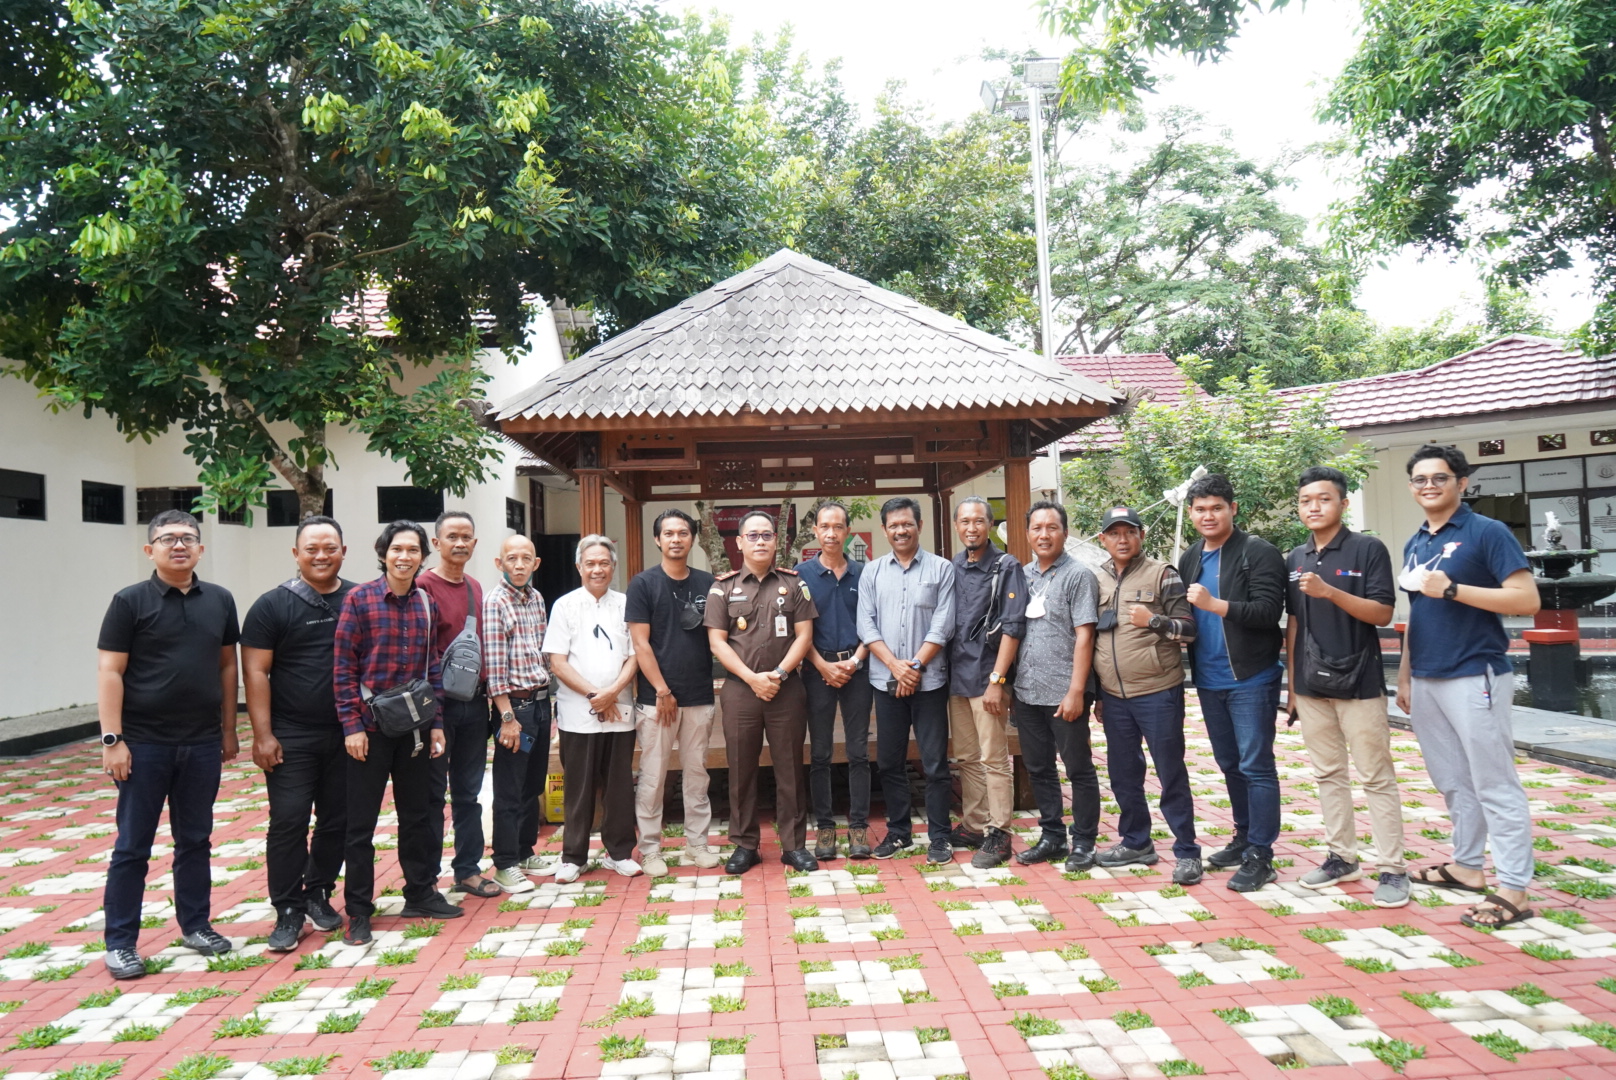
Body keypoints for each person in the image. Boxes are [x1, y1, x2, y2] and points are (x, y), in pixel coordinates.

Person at [1397, 444, 1541, 929]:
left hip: (1475, 673)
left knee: (1495, 782)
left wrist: (1455, 589)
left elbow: (1526, 599)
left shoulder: (1488, 532)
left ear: (1462, 483)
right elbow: (1421, 610)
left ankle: (1515, 889)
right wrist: (1404, 674)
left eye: (1440, 478)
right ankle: (1466, 866)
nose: (1429, 486)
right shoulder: (1416, 541)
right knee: (1453, 780)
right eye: (1420, 480)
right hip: (1427, 677)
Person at [96, 510, 240, 979]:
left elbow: (225, 667)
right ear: (150, 549)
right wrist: (113, 739)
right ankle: (120, 942)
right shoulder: (129, 601)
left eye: (188, 538)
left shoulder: (219, 600)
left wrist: (228, 729)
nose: (179, 545)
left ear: (200, 548)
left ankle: (196, 925)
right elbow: (110, 671)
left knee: (195, 840)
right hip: (144, 744)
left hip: (200, 744)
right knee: (133, 846)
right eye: (168, 539)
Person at [1285, 467, 1409, 907]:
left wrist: (1330, 591)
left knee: (1376, 776)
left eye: (1322, 499)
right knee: (1328, 774)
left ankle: (1393, 868)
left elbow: (1381, 613)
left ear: (1342, 503)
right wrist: (1293, 684)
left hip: (1360, 682)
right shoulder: (1295, 558)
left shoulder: (1367, 548)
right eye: (1305, 500)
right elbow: (1295, 622)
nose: (1313, 507)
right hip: (1311, 685)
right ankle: (1342, 856)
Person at [333, 520, 458, 947]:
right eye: (397, 549)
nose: (404, 557)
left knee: (419, 815)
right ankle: (359, 911)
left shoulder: (426, 603)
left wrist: (437, 721)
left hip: (416, 729)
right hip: (369, 729)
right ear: (383, 553)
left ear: (423, 556)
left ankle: (420, 893)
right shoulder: (360, 599)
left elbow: (434, 667)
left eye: (413, 550)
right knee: (360, 825)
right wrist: (351, 726)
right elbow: (344, 669)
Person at [241, 515, 355, 951]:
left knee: (338, 821)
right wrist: (262, 734)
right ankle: (288, 909)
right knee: (288, 821)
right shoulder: (271, 606)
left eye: (330, 547)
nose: (321, 555)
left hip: (348, 733)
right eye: (312, 548)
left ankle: (317, 892)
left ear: (344, 551)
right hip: (291, 735)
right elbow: (255, 671)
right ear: (296, 554)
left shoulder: (360, 599)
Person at [1178, 474, 1288, 893]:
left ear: (1232, 509)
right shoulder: (1190, 557)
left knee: (1256, 765)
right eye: (1201, 508)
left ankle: (1262, 853)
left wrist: (1214, 604)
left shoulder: (1257, 552)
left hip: (1251, 677)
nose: (1209, 515)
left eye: (1216, 507)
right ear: (1190, 514)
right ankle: (1243, 837)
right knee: (1229, 763)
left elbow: (1266, 611)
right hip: (1208, 679)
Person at [1092, 507, 1202, 884]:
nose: (1122, 539)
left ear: (1141, 535)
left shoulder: (1163, 574)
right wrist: (1098, 695)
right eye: (1114, 533)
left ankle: (1187, 851)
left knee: (1170, 772)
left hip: (1158, 691)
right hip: (1113, 696)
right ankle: (1136, 841)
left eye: (1129, 532)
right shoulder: (1097, 579)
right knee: (1123, 774)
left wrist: (1153, 620)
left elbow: (1189, 629)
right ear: (1103, 539)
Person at [706, 511, 819, 873]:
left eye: (766, 535)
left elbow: (804, 635)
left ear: (776, 542)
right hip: (741, 690)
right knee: (740, 770)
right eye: (752, 536)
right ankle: (744, 845)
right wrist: (753, 678)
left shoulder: (794, 584)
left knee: (790, 770)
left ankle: (794, 845)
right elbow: (717, 642)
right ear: (738, 543)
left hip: (786, 690)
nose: (759, 541)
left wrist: (780, 673)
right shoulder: (721, 588)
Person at [856, 497, 957, 863]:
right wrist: (896, 667)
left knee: (935, 764)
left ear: (919, 525)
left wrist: (913, 667)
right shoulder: (872, 572)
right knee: (889, 762)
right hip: (886, 681)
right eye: (893, 525)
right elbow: (866, 624)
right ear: (884, 530)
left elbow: (943, 624)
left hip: (928, 683)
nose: (901, 530)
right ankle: (899, 833)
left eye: (907, 524)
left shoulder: (942, 569)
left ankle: (940, 837)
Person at [627, 510, 723, 875]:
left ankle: (696, 845)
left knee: (697, 774)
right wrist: (662, 690)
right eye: (668, 533)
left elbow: (716, 636)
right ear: (658, 540)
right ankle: (650, 848)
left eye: (683, 533)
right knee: (653, 776)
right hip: (657, 700)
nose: (676, 539)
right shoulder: (643, 584)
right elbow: (641, 643)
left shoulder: (708, 583)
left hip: (698, 694)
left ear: (693, 538)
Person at [543, 535, 641, 884]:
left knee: (618, 786)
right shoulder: (565, 606)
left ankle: (619, 852)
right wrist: (595, 694)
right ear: (579, 567)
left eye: (604, 563)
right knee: (578, 787)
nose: (597, 569)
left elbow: (635, 655)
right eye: (591, 563)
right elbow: (557, 661)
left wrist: (613, 692)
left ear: (613, 567)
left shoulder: (627, 604)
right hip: (577, 711)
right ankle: (573, 856)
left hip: (619, 709)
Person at [1010, 501, 1101, 870]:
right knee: (1039, 768)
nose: (1043, 534)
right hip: (1027, 691)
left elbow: (1085, 637)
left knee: (1078, 768)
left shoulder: (1079, 576)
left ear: (1064, 532)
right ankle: (1052, 836)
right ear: (1027, 533)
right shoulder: (1022, 575)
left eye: (1052, 527)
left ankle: (1084, 842)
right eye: (1036, 528)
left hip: (1065, 692)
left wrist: (1077, 690)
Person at [416, 511, 495, 899]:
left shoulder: (475, 588)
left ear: (474, 544)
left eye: (466, 536)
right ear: (436, 543)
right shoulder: (421, 586)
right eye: (452, 537)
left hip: (474, 705)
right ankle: (426, 877)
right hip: (436, 707)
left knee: (469, 792)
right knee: (431, 794)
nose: (459, 543)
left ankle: (467, 869)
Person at [947, 496, 1028, 869]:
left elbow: (1012, 626)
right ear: (957, 525)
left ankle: (1000, 833)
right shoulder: (955, 567)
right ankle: (975, 825)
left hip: (987, 678)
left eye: (978, 521)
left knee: (994, 759)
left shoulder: (1006, 565)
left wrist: (998, 681)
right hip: (957, 679)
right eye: (964, 522)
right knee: (967, 758)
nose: (971, 528)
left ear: (990, 525)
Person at [798, 500, 874, 861]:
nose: (831, 533)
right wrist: (823, 666)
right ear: (815, 531)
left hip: (857, 669)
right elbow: (800, 633)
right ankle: (825, 826)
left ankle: (859, 824)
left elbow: (874, 623)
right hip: (817, 672)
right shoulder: (801, 575)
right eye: (824, 527)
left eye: (838, 527)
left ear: (847, 531)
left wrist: (857, 661)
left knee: (859, 751)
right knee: (821, 753)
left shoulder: (866, 574)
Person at [482, 534, 554, 894]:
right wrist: (507, 718)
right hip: (515, 708)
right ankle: (505, 863)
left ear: (536, 564)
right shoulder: (495, 603)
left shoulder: (537, 599)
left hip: (540, 703)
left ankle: (525, 851)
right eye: (512, 558)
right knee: (509, 788)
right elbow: (494, 670)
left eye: (527, 558)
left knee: (532, 783)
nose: (520, 564)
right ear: (500, 563)